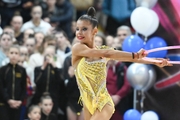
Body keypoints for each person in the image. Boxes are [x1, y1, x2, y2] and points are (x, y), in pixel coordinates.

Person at [71, 7, 172, 120]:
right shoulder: (77, 48)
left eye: (84, 29)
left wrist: (154, 61)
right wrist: (134, 55)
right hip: (86, 101)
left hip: (103, 101)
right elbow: (108, 53)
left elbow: (130, 59)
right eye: (77, 29)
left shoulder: (103, 51)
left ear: (94, 31)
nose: (79, 33)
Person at [0, 45, 27, 120]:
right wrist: (8, 100)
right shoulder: (3, 70)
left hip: (17, 104)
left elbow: (24, 87)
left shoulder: (22, 70)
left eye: (16, 53)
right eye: (11, 53)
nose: (14, 55)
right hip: (4, 104)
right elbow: (1, 87)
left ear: (19, 55)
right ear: (8, 54)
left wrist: (20, 101)